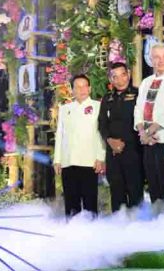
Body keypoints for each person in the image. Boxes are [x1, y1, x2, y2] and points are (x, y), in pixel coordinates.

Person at [53, 74, 105, 218]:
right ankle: (71, 228)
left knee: (90, 203)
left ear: (89, 89)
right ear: (72, 90)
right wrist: (57, 160)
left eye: (84, 86)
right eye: (77, 87)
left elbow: (101, 134)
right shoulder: (65, 109)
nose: (81, 89)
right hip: (68, 161)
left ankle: (91, 228)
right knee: (71, 203)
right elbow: (60, 135)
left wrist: (100, 157)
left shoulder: (98, 106)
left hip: (89, 161)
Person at [134, 43, 164, 208]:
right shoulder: (146, 82)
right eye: (156, 57)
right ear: (150, 60)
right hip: (147, 140)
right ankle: (156, 215)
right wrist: (142, 132)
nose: (161, 61)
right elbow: (138, 108)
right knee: (152, 181)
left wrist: (151, 130)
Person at [98, 62, 143, 212]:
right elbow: (102, 123)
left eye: (122, 75)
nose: (119, 80)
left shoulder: (138, 94)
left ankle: (137, 223)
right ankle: (118, 223)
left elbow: (141, 120)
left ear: (128, 74)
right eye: (115, 77)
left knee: (135, 191)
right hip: (113, 153)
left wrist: (124, 143)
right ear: (110, 79)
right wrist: (110, 141)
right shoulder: (107, 98)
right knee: (116, 191)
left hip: (133, 151)